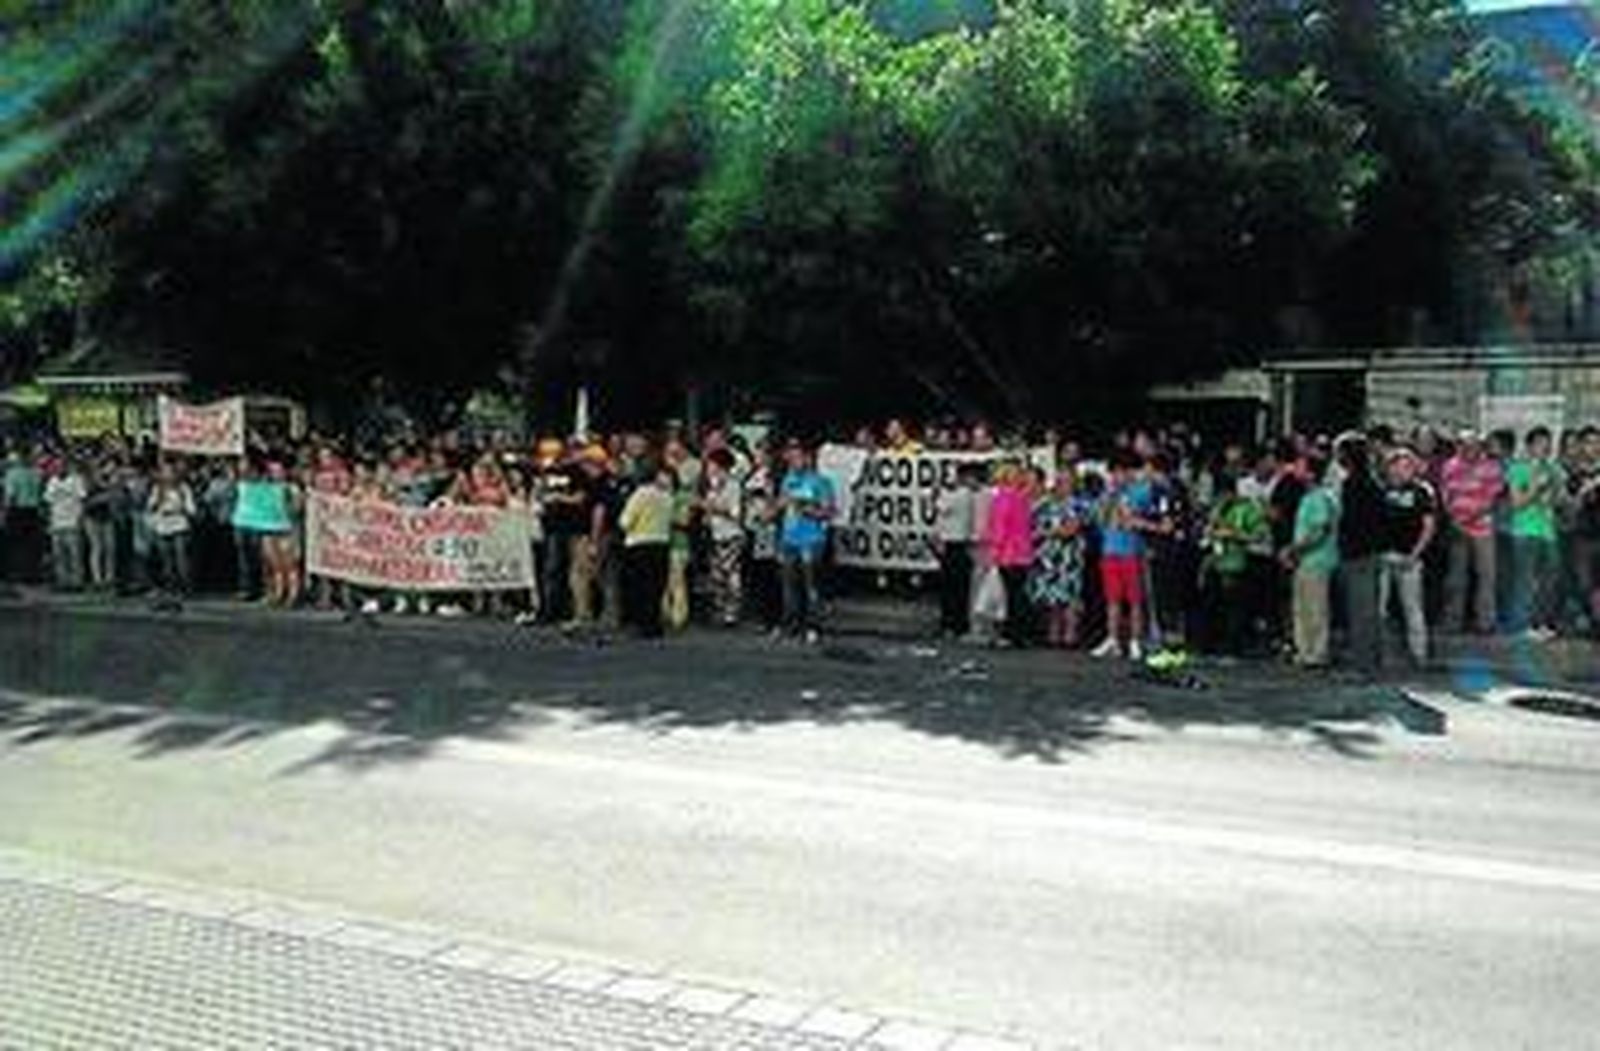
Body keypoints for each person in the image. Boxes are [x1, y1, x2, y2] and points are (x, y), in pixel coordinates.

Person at [1091, 451, 1156, 660]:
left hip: (1132, 551)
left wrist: (1128, 502)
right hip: (1109, 550)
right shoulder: (1107, 493)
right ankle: (1112, 639)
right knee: (1112, 599)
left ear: (1129, 472)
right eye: (1114, 472)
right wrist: (1109, 497)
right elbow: (1099, 518)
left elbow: (1142, 517)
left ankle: (1135, 641)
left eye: (1121, 472)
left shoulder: (1141, 491)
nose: (1117, 476)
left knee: (1135, 600)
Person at [1379, 446, 1438, 666]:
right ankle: (1382, 654)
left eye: (1407, 466)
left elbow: (1429, 526)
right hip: (1384, 556)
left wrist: (1415, 554)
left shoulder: (1422, 491)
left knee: (1412, 608)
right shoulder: (1381, 490)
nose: (1401, 470)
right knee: (1379, 610)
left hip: (1410, 558)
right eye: (1397, 465)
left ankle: (1419, 654)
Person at [1440, 431, 1503, 635]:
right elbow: (1445, 495)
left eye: (1474, 444)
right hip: (1457, 527)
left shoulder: (1491, 467)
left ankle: (1485, 622)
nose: (1470, 449)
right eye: (1465, 444)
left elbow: (1493, 499)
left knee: (1486, 576)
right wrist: (1453, 518)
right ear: (1459, 445)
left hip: (1482, 528)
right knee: (1456, 577)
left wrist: (1469, 518)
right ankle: (1453, 622)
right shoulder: (1449, 466)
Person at [1336, 433, 1388, 675]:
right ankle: (1372, 661)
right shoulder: (1373, 482)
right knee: (1369, 611)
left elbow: (1350, 522)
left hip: (1358, 554)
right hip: (1372, 552)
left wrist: (1345, 548)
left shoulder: (1354, 484)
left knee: (1361, 612)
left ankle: (1363, 665)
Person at [1282, 455, 1339, 668]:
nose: (1295, 469)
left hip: (1317, 560)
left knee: (1315, 609)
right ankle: (1304, 652)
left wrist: (1296, 549)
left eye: (1300, 466)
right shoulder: (1308, 497)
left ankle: (1317, 653)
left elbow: (1320, 529)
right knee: (1301, 608)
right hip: (1304, 561)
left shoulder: (1320, 498)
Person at [1506, 426, 1564, 638]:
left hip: (1548, 531)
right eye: (1540, 443)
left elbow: (1559, 502)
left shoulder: (1554, 469)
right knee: (1526, 580)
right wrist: (1536, 488)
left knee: (1550, 579)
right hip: (1524, 531)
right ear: (1530, 446)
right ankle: (1523, 625)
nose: (1545, 448)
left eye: (1548, 444)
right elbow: (1516, 503)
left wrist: (1556, 492)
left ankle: (1542, 623)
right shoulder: (1517, 468)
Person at [1201, 479, 1269, 657]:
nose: (1222, 499)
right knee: (1214, 606)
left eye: (1225, 496)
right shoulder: (1217, 509)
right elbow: (1208, 528)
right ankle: (1212, 644)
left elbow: (1260, 534)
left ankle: (1233, 647)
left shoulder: (1246, 508)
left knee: (1235, 610)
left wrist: (1235, 535)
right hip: (1216, 562)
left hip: (1236, 563)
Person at [776, 438, 835, 643]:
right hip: (789, 538)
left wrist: (808, 509)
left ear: (808, 459)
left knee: (811, 586)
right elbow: (781, 505)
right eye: (790, 457)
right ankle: (791, 625)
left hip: (811, 540)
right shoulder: (787, 479)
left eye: (797, 457)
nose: (793, 461)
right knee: (789, 586)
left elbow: (829, 512)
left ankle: (813, 626)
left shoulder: (820, 481)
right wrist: (776, 506)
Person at [1028, 468, 1088, 649]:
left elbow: (1070, 529)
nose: (1062, 485)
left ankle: (1071, 636)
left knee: (1070, 598)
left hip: (1069, 558)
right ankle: (1053, 635)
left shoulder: (1079, 504)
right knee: (1052, 599)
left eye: (1066, 481)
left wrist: (1046, 532)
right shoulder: (1046, 504)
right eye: (1059, 481)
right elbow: (1031, 526)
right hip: (1047, 558)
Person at [618, 463, 674, 637]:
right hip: (662, 543)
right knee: (656, 587)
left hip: (638, 543)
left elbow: (625, 521)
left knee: (639, 587)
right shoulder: (667, 496)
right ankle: (654, 624)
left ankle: (641, 624)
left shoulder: (640, 494)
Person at [983, 463, 1035, 647]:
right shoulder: (1024, 499)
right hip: (1024, 553)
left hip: (1007, 554)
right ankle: (1019, 634)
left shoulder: (1002, 498)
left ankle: (1008, 634)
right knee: (1018, 595)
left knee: (1007, 597)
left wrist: (992, 552)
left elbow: (998, 528)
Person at [936, 463, 983, 638]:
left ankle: (953, 624)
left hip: (957, 545)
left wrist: (939, 492)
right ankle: (954, 623)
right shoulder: (965, 494)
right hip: (953, 544)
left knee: (953, 588)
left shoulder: (961, 494)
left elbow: (941, 507)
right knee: (954, 588)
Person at [701, 448, 746, 627]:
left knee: (731, 575)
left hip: (732, 535)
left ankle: (731, 613)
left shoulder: (733, 484)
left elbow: (735, 513)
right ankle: (721, 611)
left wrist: (712, 507)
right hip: (716, 534)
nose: (708, 468)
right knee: (717, 575)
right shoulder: (713, 484)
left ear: (721, 466)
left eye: (711, 464)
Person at [147, 460, 197, 602]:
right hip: (162, 528)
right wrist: (158, 500)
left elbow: (192, 509)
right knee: (167, 561)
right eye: (164, 472)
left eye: (170, 472)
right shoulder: (157, 489)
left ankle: (185, 588)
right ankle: (171, 587)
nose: (167, 475)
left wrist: (179, 508)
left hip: (180, 527)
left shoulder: (184, 488)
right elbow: (150, 506)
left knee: (182, 561)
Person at [1569, 426, 1600, 636]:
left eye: (1597, 442)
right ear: (1582, 446)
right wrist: (1587, 488)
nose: (1594, 447)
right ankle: (1590, 619)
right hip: (1583, 535)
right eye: (1589, 442)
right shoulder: (1575, 473)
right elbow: (1572, 504)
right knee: (1584, 583)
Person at [43, 458, 88, 592]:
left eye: (61, 466)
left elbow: (83, 498)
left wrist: (80, 519)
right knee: (59, 556)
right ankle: (63, 581)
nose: (59, 469)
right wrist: (49, 521)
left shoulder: (76, 480)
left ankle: (77, 582)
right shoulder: (52, 481)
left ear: (67, 467)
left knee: (75, 555)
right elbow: (47, 500)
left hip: (72, 521)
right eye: (56, 466)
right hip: (56, 522)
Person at [3, 447, 45, 584]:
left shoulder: (12, 474)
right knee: (32, 545)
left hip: (18, 511)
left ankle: (17, 573)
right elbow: (40, 492)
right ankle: (31, 573)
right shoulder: (37, 473)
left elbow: (10, 496)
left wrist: (4, 512)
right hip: (33, 510)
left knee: (15, 544)